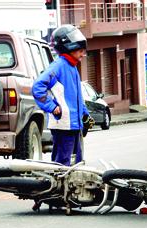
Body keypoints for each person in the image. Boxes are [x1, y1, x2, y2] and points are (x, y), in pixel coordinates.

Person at [32, 24, 91, 166]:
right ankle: (59, 188)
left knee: (75, 162)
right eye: (81, 51)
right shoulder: (58, 66)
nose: (83, 54)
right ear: (68, 47)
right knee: (62, 164)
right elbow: (37, 86)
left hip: (74, 125)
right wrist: (51, 106)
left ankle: (71, 188)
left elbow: (76, 96)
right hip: (63, 124)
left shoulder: (72, 67)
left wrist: (85, 113)